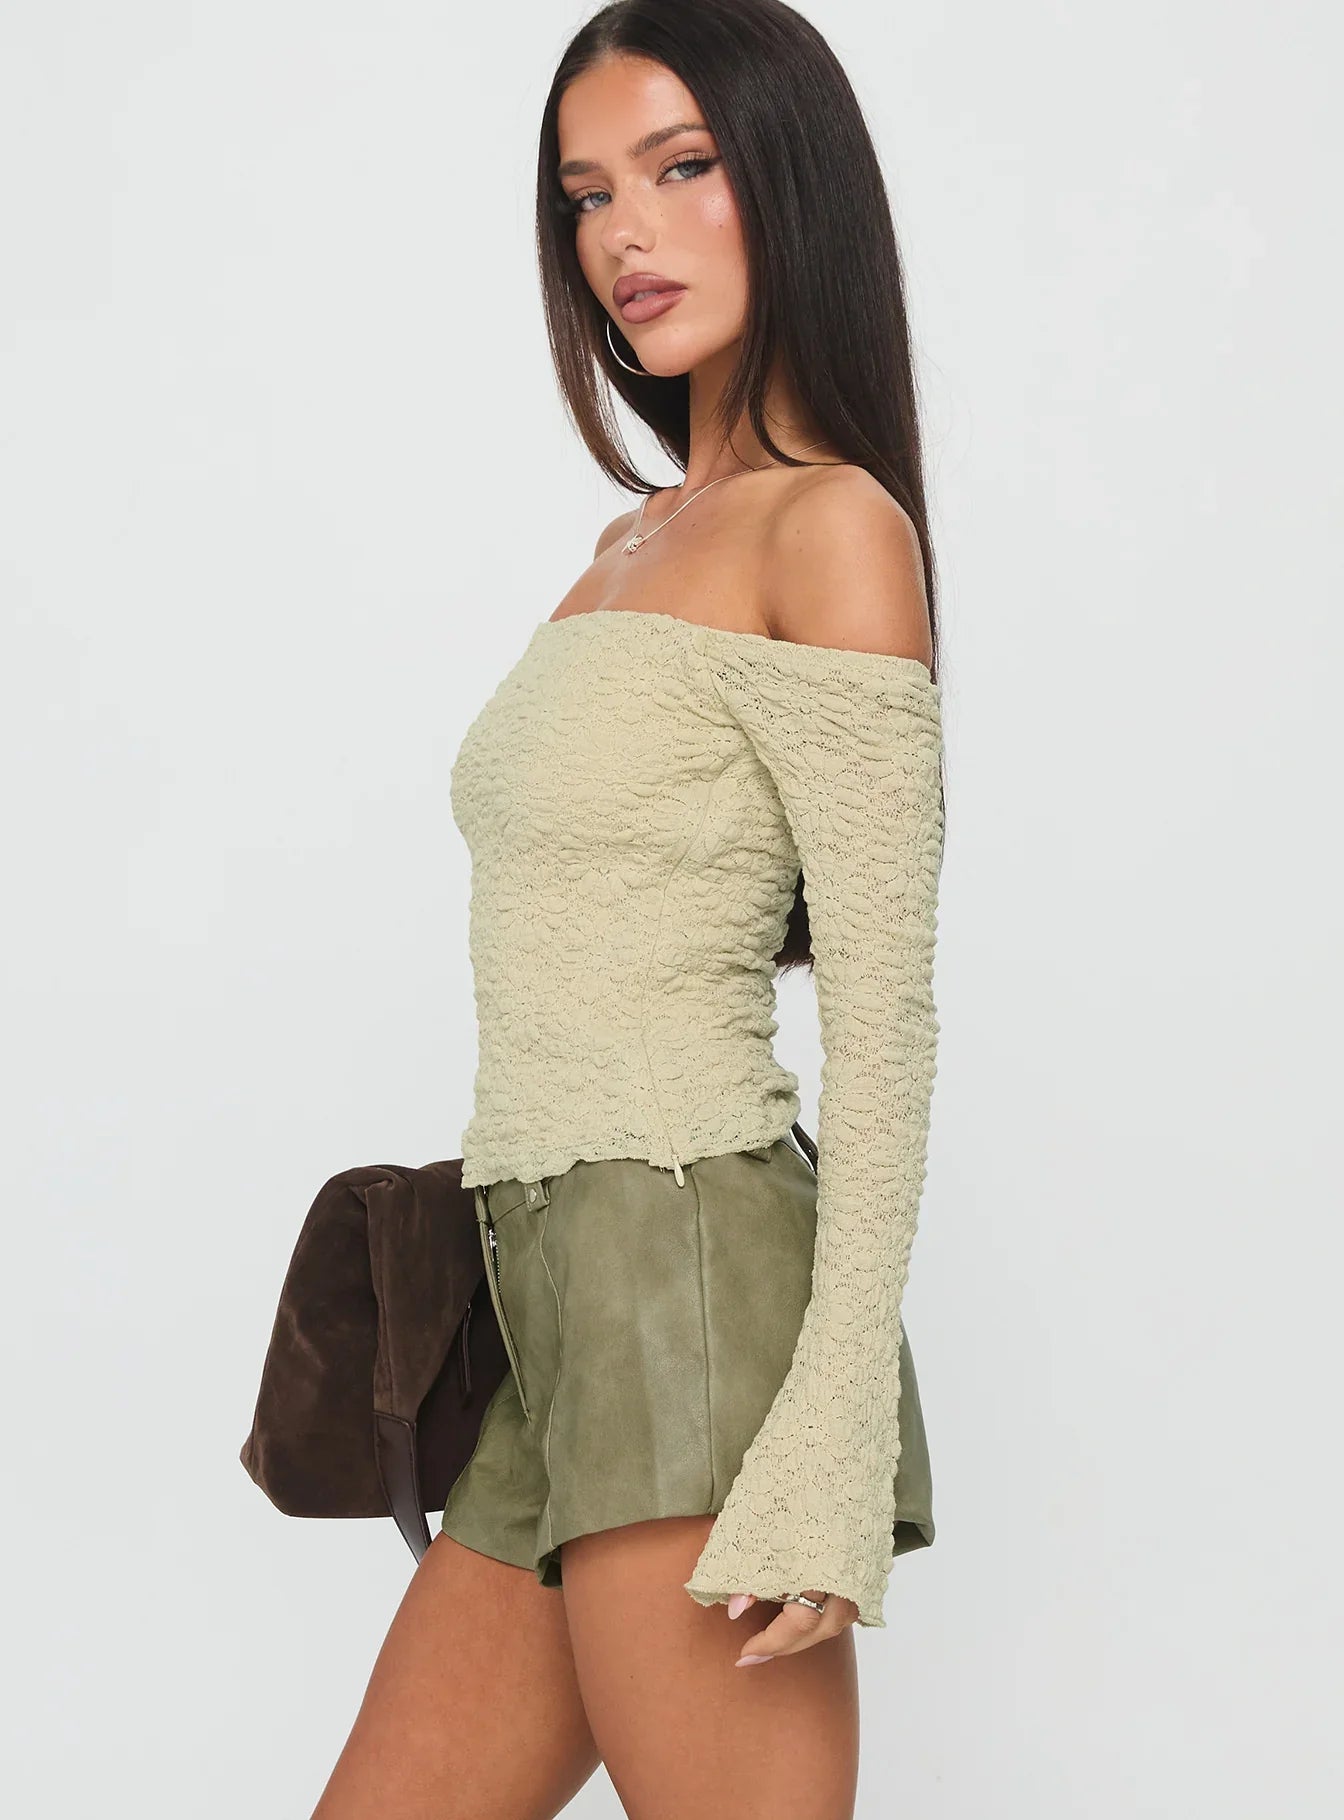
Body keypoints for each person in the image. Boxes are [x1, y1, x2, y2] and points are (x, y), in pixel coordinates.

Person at [311, 3, 947, 1815]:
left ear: (791, 182)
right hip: (550, 1304)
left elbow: (887, 1015)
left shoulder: (830, 528)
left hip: (689, 1288)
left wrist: (830, 1436)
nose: (625, 233)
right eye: (589, 194)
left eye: (682, 168)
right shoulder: (631, 544)